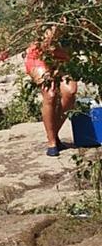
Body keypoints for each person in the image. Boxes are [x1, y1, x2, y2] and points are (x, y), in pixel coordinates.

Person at [26, 25, 78, 156]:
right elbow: (45, 44)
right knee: (50, 94)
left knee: (70, 92)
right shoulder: (51, 15)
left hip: (63, 57)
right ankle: (52, 142)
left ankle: (53, 133)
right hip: (40, 56)